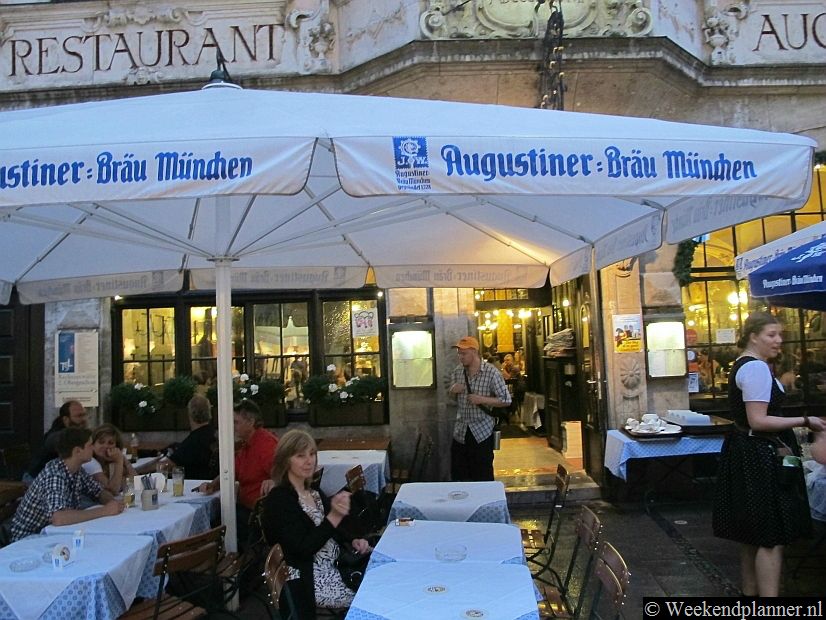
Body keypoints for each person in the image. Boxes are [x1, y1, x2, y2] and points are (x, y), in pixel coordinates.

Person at [712, 312, 826, 597]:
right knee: (770, 535)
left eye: (780, 335)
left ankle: (751, 596)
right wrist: (804, 421)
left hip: (747, 451)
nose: (778, 341)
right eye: (771, 335)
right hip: (760, 455)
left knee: (752, 535)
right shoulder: (756, 369)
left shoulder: (747, 365)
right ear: (753, 335)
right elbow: (758, 420)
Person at [261, 429, 372, 619]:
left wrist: (354, 539)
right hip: (311, 578)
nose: (309, 460)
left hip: (338, 564)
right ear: (285, 460)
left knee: (382, 574)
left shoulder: (312, 491)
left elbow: (334, 530)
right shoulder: (279, 501)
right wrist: (334, 517)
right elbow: (303, 548)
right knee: (372, 595)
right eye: (300, 456)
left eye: (312, 454)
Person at [11, 427, 124, 541]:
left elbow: (99, 492)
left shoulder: (77, 470)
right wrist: (105, 511)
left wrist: (112, 502)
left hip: (55, 533)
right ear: (77, 451)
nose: (93, 448)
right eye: (90, 445)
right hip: (29, 539)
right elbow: (59, 518)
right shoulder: (55, 474)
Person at [197, 399, 278, 548]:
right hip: (247, 511)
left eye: (236, 422)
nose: (233, 427)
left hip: (257, 519)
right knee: (215, 515)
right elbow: (232, 471)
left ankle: (210, 562)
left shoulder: (265, 444)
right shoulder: (247, 444)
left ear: (251, 422)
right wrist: (213, 485)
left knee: (215, 519)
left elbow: (284, 473)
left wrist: (275, 480)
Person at [447, 336, 511, 481]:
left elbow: (506, 400)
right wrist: (452, 391)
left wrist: (481, 399)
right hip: (460, 432)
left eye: (463, 353)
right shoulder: (458, 372)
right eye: (458, 353)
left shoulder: (491, 373)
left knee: (482, 476)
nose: (460, 357)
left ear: (474, 352)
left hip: (481, 432)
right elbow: (451, 399)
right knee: (459, 475)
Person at [24, 400, 89, 483]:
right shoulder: (56, 436)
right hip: (37, 478)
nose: (83, 419)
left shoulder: (79, 433)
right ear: (66, 419)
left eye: (84, 415)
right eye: (79, 416)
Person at [163, 394, 217, 481]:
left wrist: (137, 470)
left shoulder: (192, 442)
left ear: (189, 414)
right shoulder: (213, 435)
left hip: (193, 488)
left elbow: (166, 466)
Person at [82, 423, 136, 494]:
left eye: (110, 443)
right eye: (101, 442)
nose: (106, 446)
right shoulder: (90, 462)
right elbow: (112, 491)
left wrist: (122, 458)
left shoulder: (113, 460)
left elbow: (134, 480)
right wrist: (119, 461)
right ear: (93, 444)